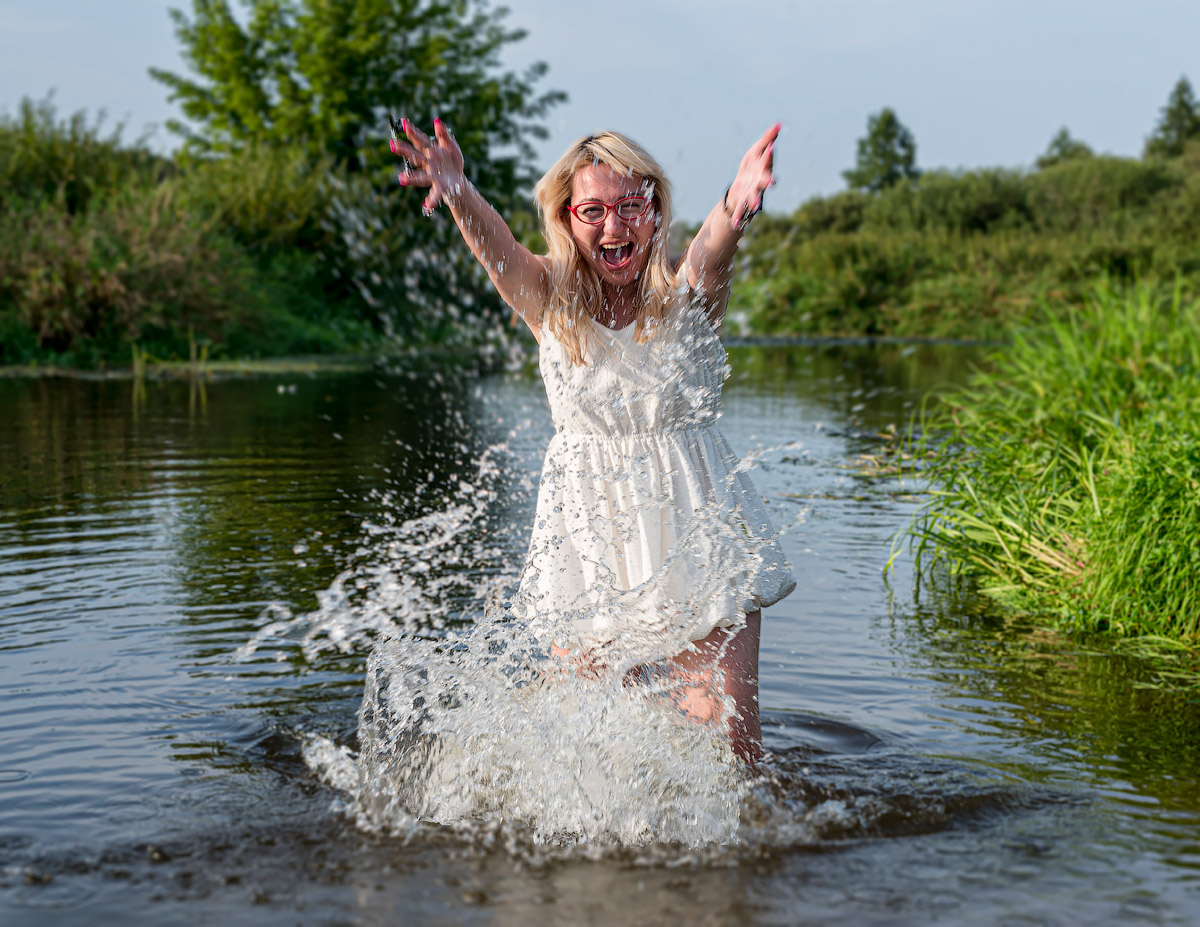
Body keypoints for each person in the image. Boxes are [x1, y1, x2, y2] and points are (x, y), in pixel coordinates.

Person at [390, 118, 795, 763]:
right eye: (595, 210)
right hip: (587, 539)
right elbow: (498, 250)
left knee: (729, 750)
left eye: (633, 206)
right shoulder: (547, 298)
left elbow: (713, 248)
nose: (616, 226)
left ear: (654, 211)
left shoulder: (685, 292)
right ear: (568, 218)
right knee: (580, 753)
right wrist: (458, 189)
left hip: (699, 529)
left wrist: (737, 204)